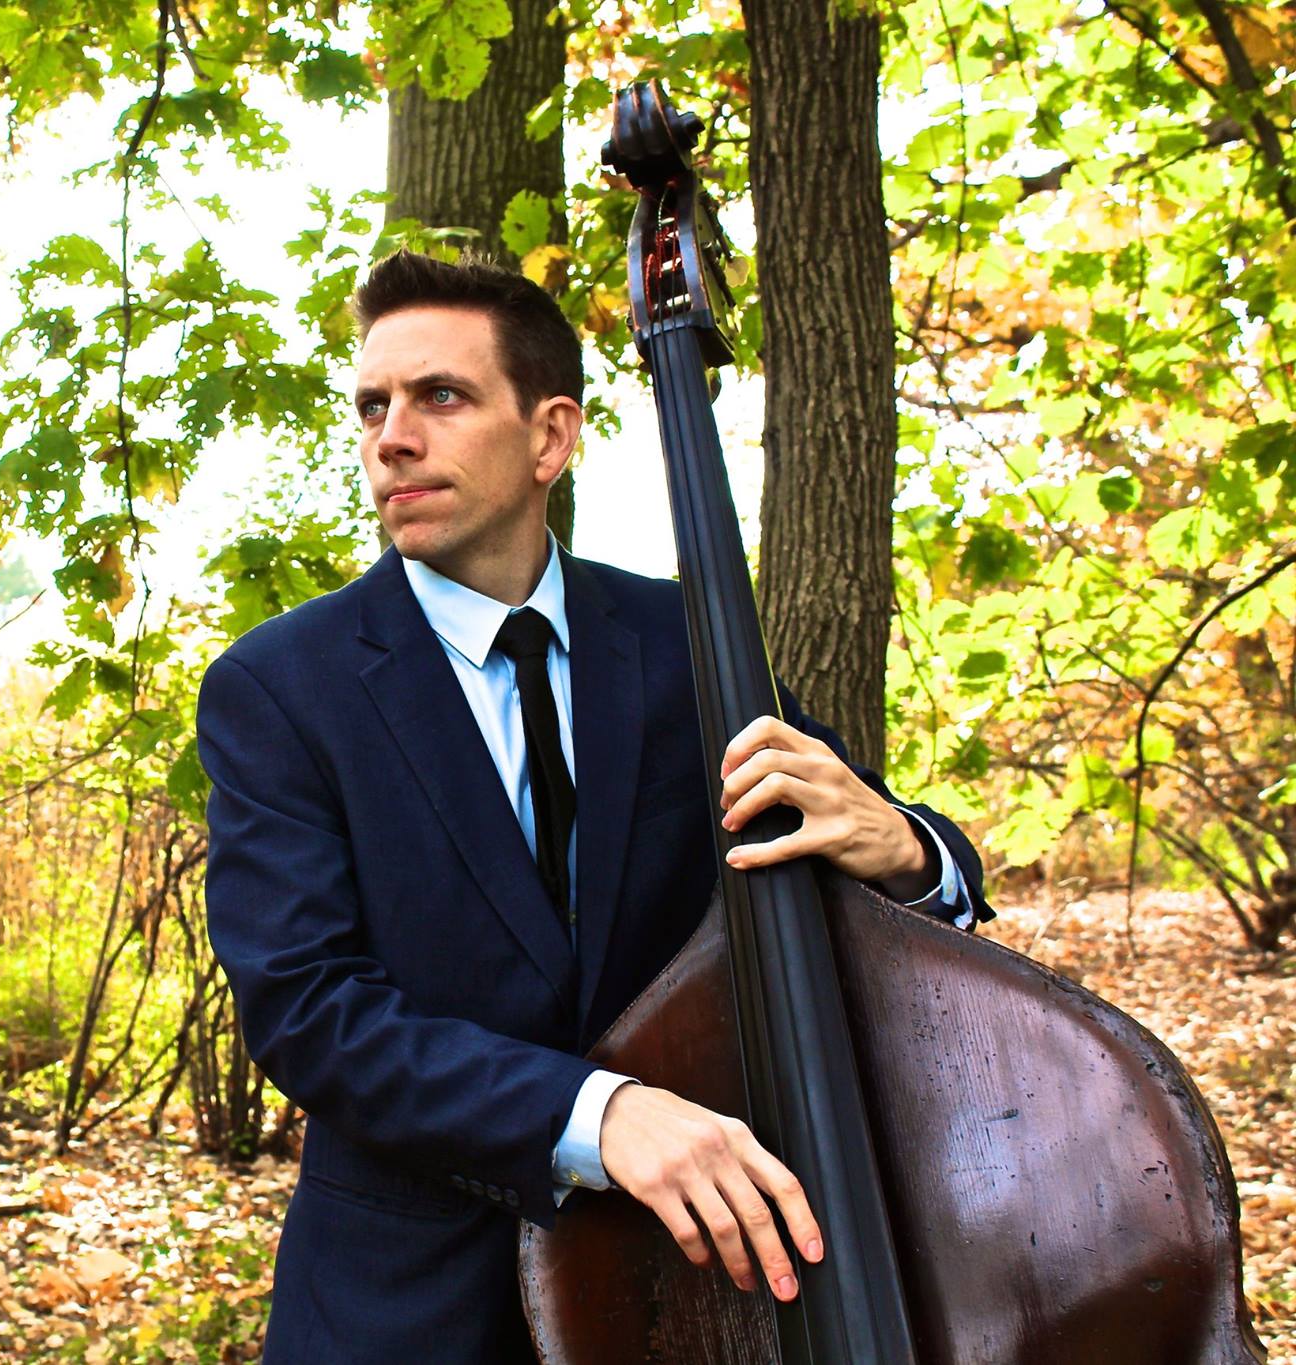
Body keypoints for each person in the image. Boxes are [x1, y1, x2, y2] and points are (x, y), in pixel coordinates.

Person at [197, 250, 991, 1364]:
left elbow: (874, 868)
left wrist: (908, 852)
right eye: (371, 405)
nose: (390, 437)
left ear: (549, 436)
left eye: (439, 396)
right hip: (404, 1307)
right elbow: (307, 1010)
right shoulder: (280, 687)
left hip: (691, 1294)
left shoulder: (689, 645)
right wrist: (597, 1112)